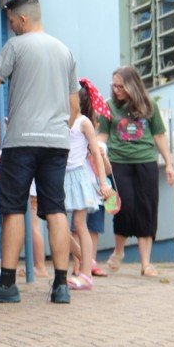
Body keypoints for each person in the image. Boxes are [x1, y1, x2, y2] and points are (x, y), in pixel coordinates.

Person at [0, 0, 80, 304]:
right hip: (56, 142)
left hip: (22, 141)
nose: (10, 28)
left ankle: (7, 283)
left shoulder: (16, 46)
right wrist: (56, 128)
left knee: (13, 208)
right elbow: (74, 106)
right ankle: (60, 285)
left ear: (23, 20)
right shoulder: (65, 51)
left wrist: (4, 71)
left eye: (11, 22)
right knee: (56, 208)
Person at [99, 66, 174, 277]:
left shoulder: (148, 105)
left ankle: (145, 263)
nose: (116, 90)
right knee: (123, 206)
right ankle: (119, 251)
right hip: (118, 164)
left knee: (147, 210)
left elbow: (159, 135)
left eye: (120, 86)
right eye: (113, 86)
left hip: (145, 162)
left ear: (132, 86)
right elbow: (102, 136)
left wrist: (169, 163)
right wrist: (95, 151)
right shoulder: (108, 107)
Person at [64, 84, 112, 290]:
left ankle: (85, 274)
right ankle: (84, 259)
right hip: (61, 176)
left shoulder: (83, 122)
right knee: (55, 222)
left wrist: (102, 182)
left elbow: (96, 154)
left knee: (79, 224)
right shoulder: (60, 120)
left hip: (79, 177)